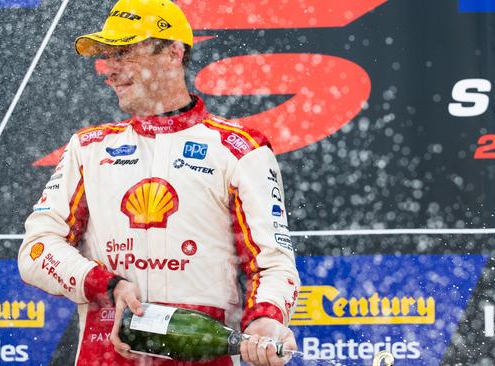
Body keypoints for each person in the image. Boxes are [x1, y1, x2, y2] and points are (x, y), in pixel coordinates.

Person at [17, 0, 300, 365]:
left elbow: (272, 263)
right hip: (105, 356)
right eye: (107, 56)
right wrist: (108, 285)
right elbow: (37, 251)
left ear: (173, 52)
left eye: (124, 53)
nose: (109, 70)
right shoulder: (88, 148)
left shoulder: (240, 148)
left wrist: (265, 319)